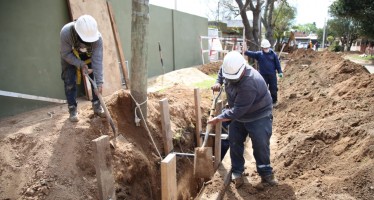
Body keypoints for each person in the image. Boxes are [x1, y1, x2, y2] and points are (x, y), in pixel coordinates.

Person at [210, 51, 278, 189]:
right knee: (234, 141)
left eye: (234, 78)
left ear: (243, 68)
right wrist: (218, 82)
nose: (232, 80)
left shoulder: (250, 82)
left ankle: (265, 173)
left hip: (258, 114)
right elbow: (222, 72)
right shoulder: (230, 67)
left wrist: (219, 118)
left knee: (260, 144)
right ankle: (237, 171)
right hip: (239, 113)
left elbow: (238, 111)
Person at [60, 14, 105, 122]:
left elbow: (97, 61)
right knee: (69, 80)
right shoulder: (66, 32)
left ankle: (97, 105)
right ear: (77, 33)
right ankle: (72, 109)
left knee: (95, 78)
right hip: (70, 55)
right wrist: (80, 64)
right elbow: (65, 54)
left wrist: (99, 82)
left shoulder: (98, 39)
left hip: (88, 56)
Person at [244, 39, 283, 105]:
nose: (266, 49)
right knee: (262, 89)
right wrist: (245, 51)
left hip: (272, 75)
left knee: (273, 88)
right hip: (263, 75)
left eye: (267, 48)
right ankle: (262, 102)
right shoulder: (259, 54)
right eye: (265, 48)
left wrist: (280, 71)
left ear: (269, 47)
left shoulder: (273, 54)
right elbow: (251, 54)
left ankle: (274, 101)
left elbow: (277, 64)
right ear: (262, 48)